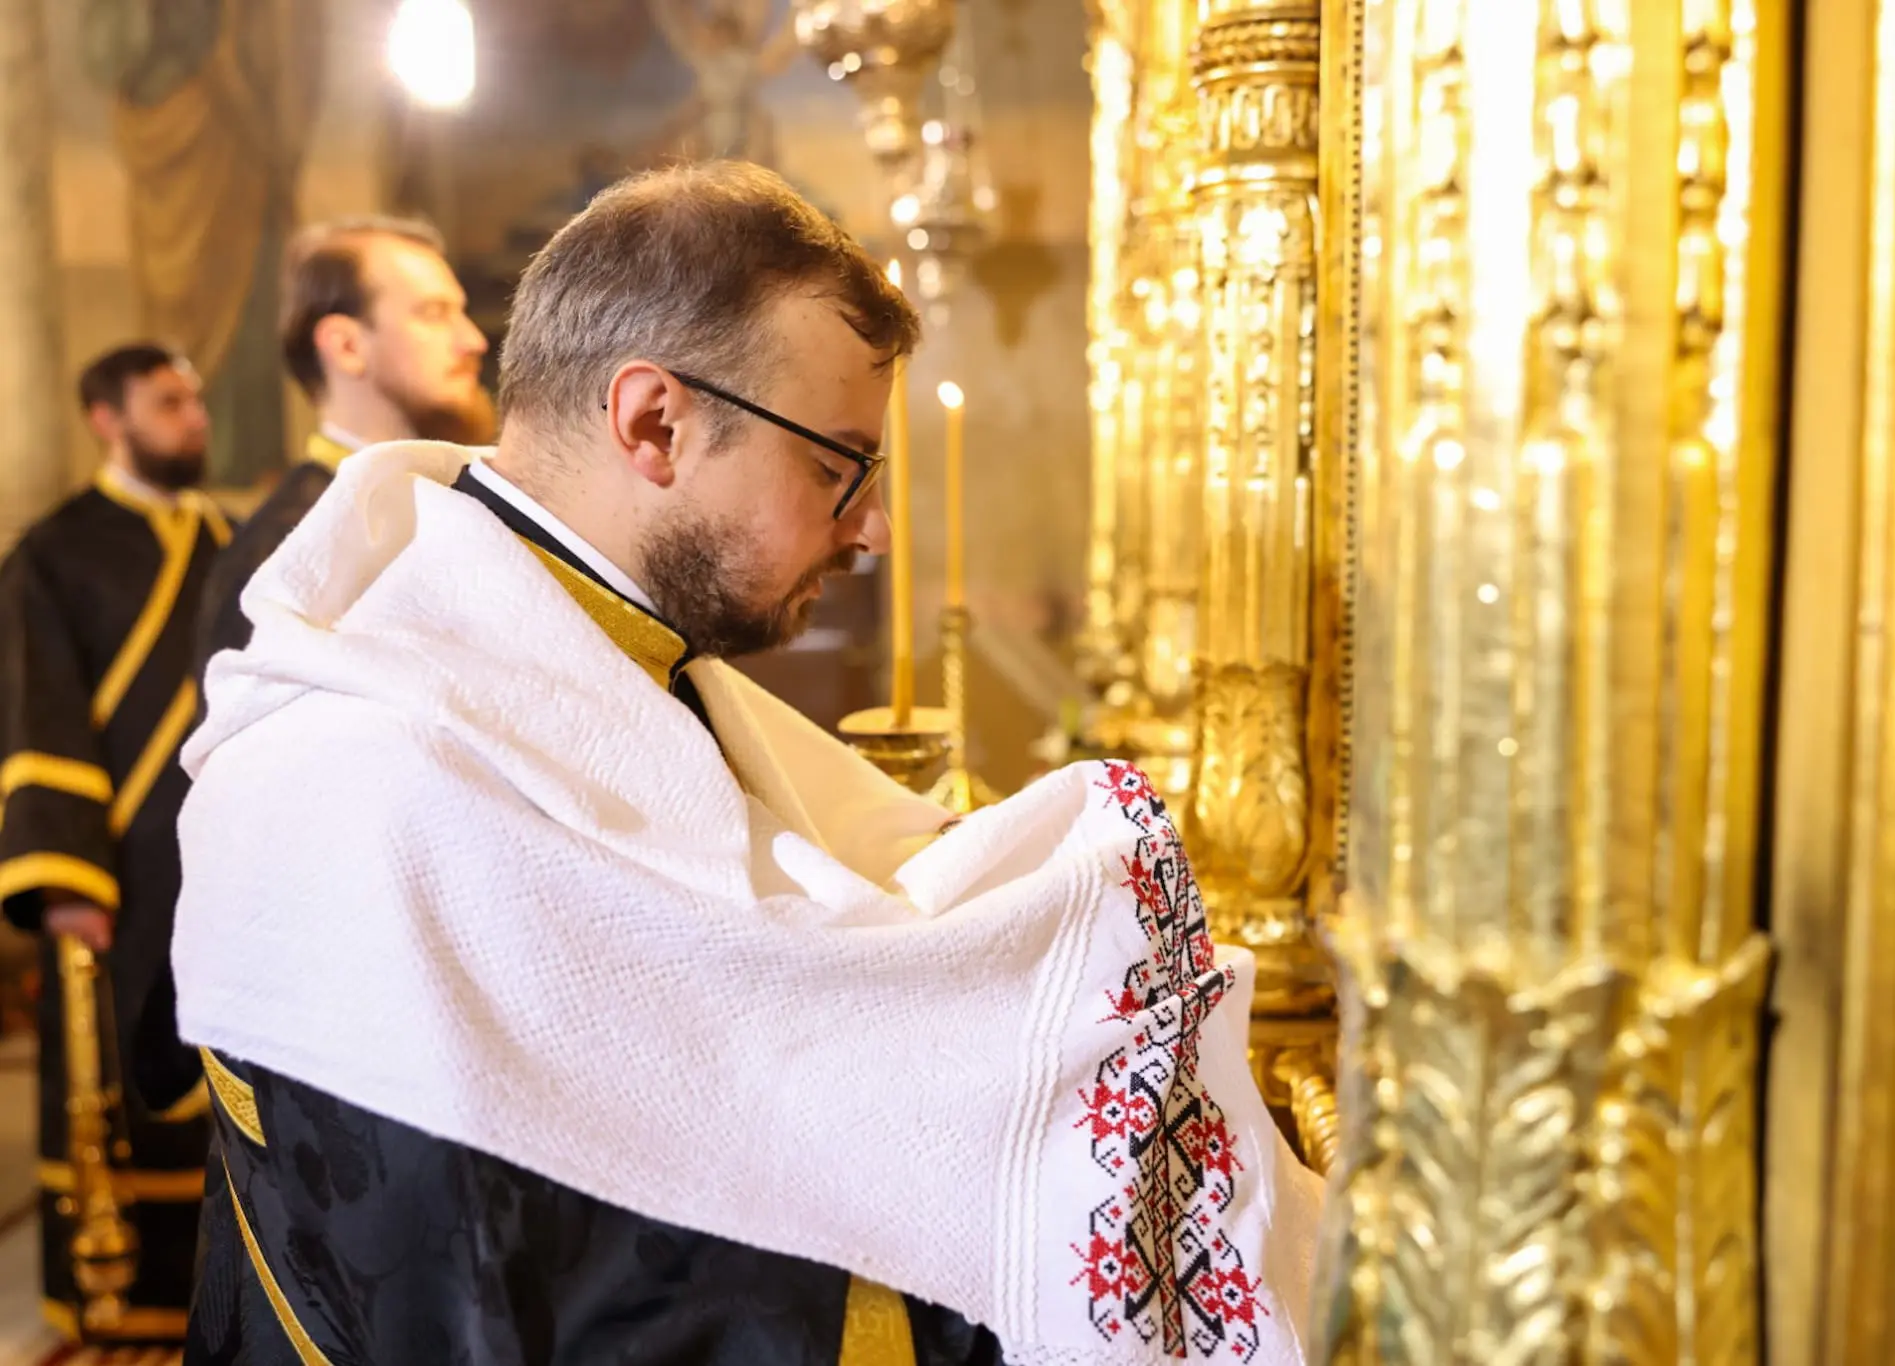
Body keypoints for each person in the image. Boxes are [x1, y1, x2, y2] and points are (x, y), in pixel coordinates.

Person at [173, 163, 1322, 1364]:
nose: (870, 526)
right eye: (837, 463)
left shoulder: (611, 667)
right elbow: (497, 1291)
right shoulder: (373, 787)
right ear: (653, 424)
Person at [0, 343, 229, 1345]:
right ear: (108, 418)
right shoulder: (52, 553)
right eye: (168, 403)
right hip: (120, 877)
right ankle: (127, 1301)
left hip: (227, 863)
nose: (194, 418)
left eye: (195, 400)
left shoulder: (230, 538)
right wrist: (65, 876)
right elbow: (36, 712)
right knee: (125, 1078)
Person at [193, 214, 490, 665]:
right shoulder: (282, 548)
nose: (472, 340)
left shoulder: (459, 501)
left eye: (461, 312)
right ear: (347, 347)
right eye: (434, 314)